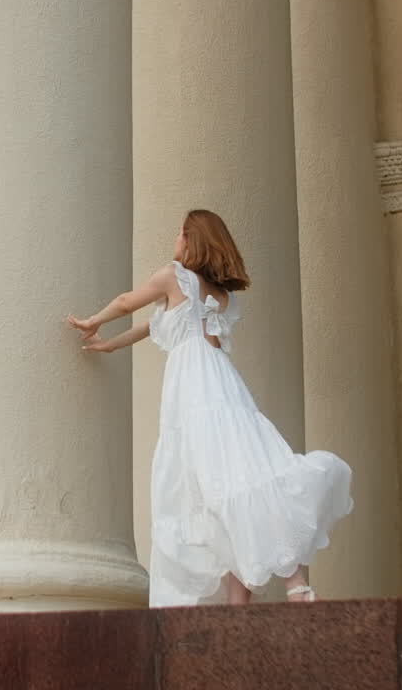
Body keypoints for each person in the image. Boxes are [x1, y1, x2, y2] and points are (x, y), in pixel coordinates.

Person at [67, 209, 352, 606]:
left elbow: (126, 301)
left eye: (179, 233)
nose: (175, 240)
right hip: (221, 382)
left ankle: (293, 588)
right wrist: (111, 344)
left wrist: (92, 321)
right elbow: (155, 324)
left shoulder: (173, 276)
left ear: (190, 239)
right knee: (231, 478)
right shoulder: (219, 295)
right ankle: (262, 598)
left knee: (224, 479)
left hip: (195, 385)